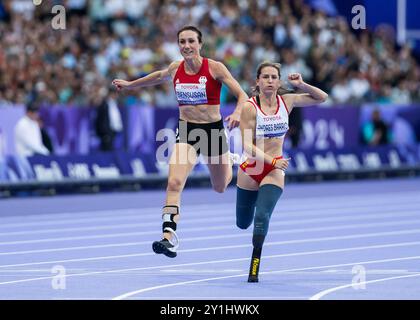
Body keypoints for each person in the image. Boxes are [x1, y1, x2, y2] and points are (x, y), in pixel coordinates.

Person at [112, 25, 248, 258]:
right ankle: (169, 237)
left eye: (191, 41)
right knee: (174, 183)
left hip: (213, 132)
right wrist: (131, 84)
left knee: (220, 186)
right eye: (182, 42)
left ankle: (228, 158)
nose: (186, 46)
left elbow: (243, 95)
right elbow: (157, 76)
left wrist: (236, 113)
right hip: (186, 130)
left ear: (200, 44)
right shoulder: (176, 68)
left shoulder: (215, 68)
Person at [236, 61, 328, 282]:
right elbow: (247, 146)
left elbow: (322, 97)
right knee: (243, 222)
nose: (269, 81)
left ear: (279, 81)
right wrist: (271, 160)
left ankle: (254, 268)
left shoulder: (287, 101)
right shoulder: (250, 107)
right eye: (265, 77)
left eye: (273, 77)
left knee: (262, 216)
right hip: (252, 167)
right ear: (257, 81)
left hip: (275, 170)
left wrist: (302, 85)